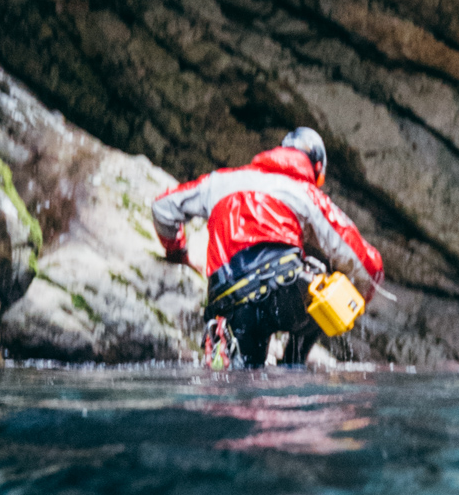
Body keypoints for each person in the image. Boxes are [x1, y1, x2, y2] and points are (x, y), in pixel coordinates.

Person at [151, 128, 383, 369]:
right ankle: (293, 364)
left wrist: (178, 253)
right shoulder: (304, 192)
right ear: (316, 168)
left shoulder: (219, 181)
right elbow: (367, 264)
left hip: (229, 300)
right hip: (284, 291)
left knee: (238, 378)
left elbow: (163, 208)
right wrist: (359, 299)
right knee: (325, 292)